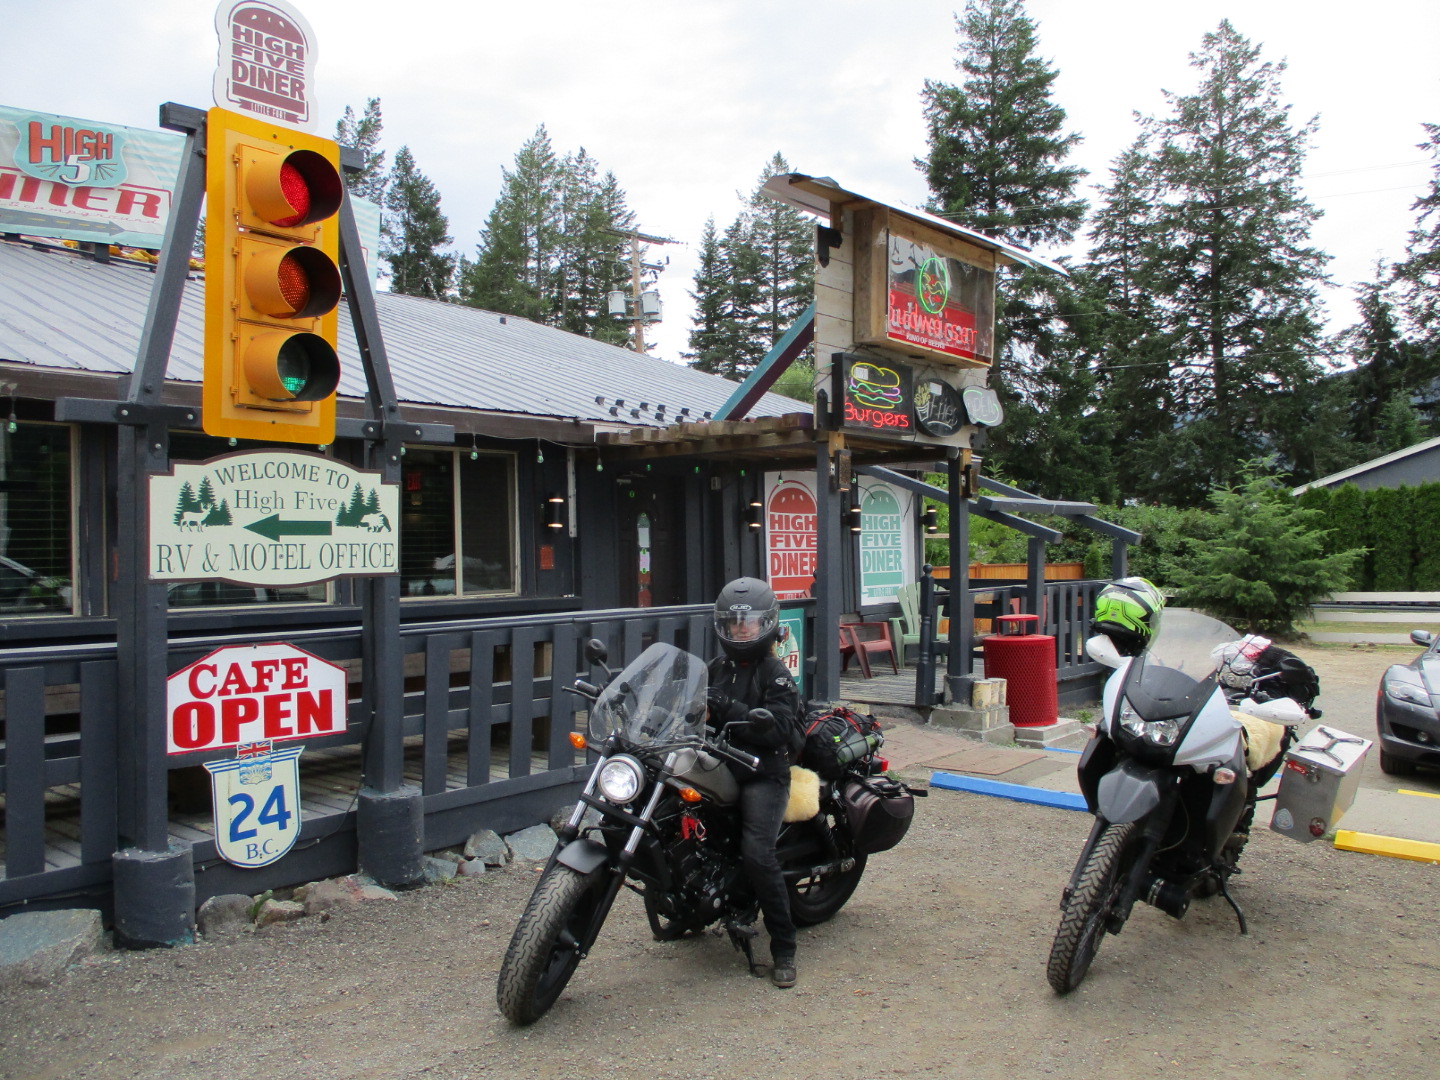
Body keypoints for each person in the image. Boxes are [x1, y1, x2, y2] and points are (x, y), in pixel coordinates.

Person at [704, 576, 802, 988]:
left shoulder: (775, 673)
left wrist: (727, 707)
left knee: (757, 852)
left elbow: (779, 729)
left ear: (767, 625)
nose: (741, 630)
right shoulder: (715, 668)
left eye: (749, 623)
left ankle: (783, 947)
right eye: (734, 623)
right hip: (721, 764)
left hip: (764, 772)